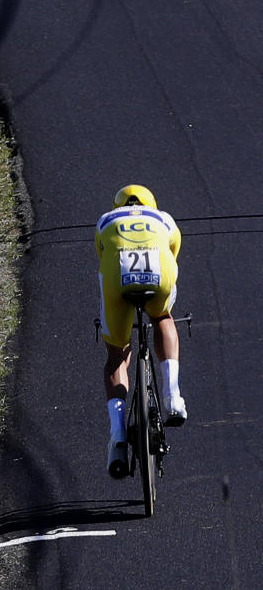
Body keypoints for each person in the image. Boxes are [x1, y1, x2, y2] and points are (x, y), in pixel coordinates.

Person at [95, 185, 187, 479]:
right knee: (163, 317)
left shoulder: (106, 219)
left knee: (117, 355)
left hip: (117, 277)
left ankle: (118, 435)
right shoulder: (164, 218)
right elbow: (173, 253)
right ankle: (173, 397)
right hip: (158, 272)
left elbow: (102, 255)